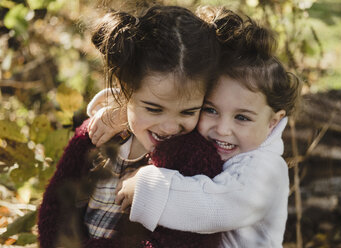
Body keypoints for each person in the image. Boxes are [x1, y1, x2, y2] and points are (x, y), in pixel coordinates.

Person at [87, 6, 302, 248]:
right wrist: (122, 112)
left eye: (242, 117)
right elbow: (164, 95)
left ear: (273, 121)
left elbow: (218, 207)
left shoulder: (265, 169)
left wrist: (151, 188)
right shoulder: (219, 143)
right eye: (210, 110)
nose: (222, 129)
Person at [37, 5, 222, 248]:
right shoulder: (100, 135)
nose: (169, 127)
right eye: (154, 109)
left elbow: (186, 241)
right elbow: (56, 206)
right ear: (126, 88)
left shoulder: (193, 160)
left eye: (188, 112)